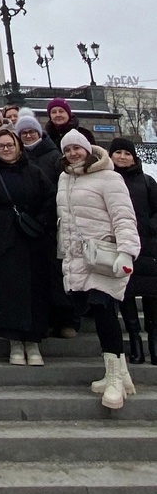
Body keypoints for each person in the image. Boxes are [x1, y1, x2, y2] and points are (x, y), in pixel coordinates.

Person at [57, 129, 140, 408]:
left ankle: (115, 380)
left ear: (88, 149)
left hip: (106, 255)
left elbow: (124, 216)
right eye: (67, 150)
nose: (72, 154)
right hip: (78, 258)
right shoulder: (64, 178)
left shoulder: (109, 177)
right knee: (96, 310)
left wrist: (127, 253)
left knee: (105, 310)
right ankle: (121, 373)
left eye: (76, 149)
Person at [0, 127, 56, 367]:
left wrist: (40, 222)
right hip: (0, 238)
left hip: (31, 238)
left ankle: (33, 341)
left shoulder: (34, 172)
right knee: (7, 291)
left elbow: (50, 198)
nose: (6, 150)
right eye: (1, 146)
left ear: (17, 146)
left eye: (9, 145)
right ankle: (15, 342)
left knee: (33, 290)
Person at [15, 113, 75, 338]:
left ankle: (66, 320)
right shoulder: (18, 157)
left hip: (51, 223)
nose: (28, 135)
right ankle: (46, 320)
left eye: (31, 131)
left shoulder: (53, 156)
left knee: (56, 273)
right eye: (24, 133)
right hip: (26, 224)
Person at [108, 138, 157, 365]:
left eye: (127, 153)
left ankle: (154, 347)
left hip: (147, 248)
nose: (122, 157)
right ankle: (135, 344)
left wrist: (149, 227)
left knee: (152, 298)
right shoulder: (107, 181)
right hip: (119, 246)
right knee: (125, 295)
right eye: (117, 152)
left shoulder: (147, 181)